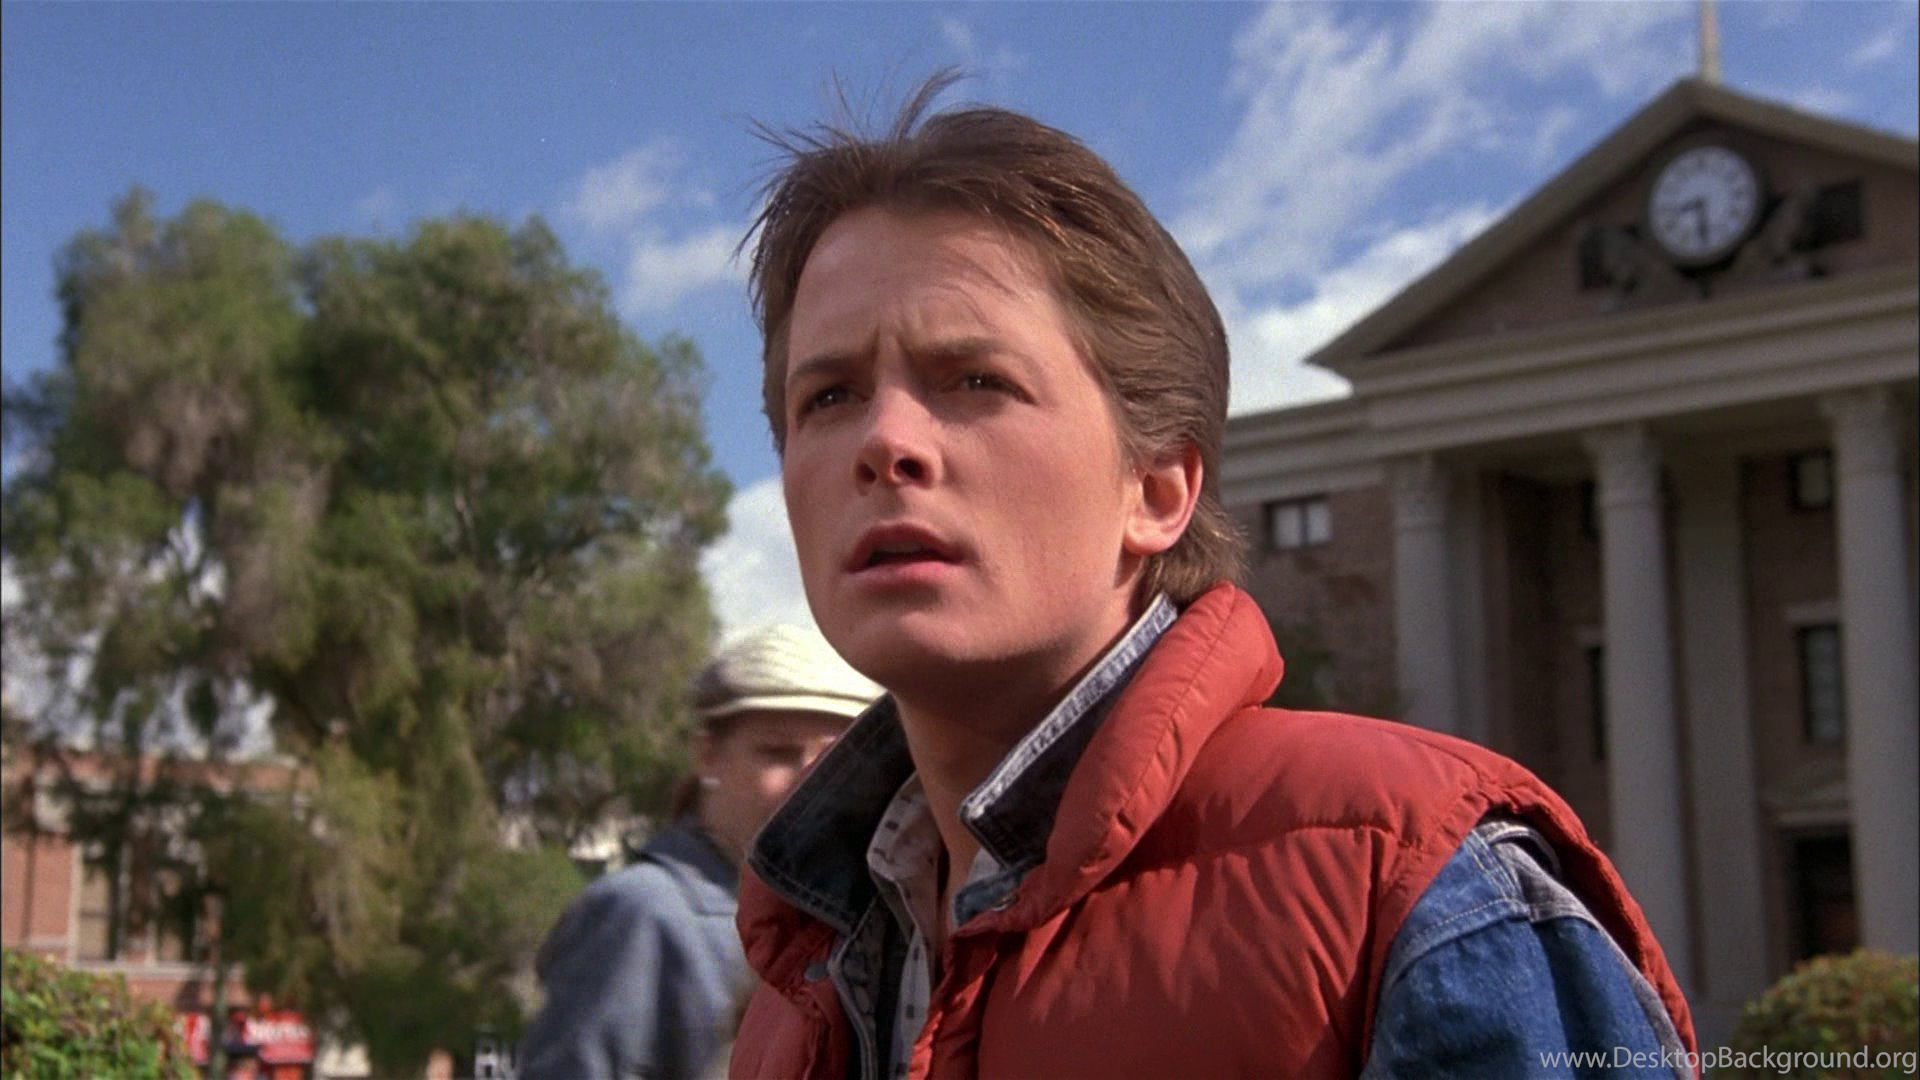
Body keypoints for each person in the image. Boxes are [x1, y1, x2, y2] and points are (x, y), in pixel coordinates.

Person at [727, 77, 1700, 1080]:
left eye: (976, 380)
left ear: (1158, 489)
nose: (885, 441)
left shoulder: (1420, 892)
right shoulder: (793, 993)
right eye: (829, 396)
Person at [518, 624, 879, 1080]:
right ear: (708, 755)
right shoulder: (642, 915)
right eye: (779, 753)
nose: (811, 781)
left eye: (835, 758)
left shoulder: (868, 924)